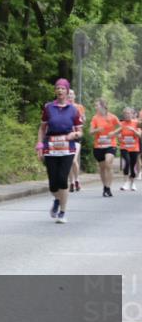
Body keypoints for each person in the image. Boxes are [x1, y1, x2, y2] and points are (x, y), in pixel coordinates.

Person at [36, 80, 83, 223]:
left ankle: (63, 212)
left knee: (63, 180)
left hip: (67, 148)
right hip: (50, 148)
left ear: (67, 91)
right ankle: (57, 200)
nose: (60, 90)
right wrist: (39, 145)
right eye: (58, 88)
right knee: (53, 184)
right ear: (55, 91)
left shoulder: (74, 110)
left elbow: (80, 132)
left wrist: (74, 135)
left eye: (63, 88)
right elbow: (42, 129)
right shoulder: (48, 108)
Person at [90, 99, 120, 197]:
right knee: (102, 168)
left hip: (111, 144)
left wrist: (114, 133)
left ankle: (108, 187)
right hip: (98, 146)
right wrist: (97, 130)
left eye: (97, 105)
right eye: (95, 106)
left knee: (108, 163)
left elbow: (121, 127)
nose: (95, 107)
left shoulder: (112, 117)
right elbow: (90, 132)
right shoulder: (95, 118)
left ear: (103, 106)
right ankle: (105, 187)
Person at [68, 90, 86, 191]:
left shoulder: (79, 107)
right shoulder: (63, 106)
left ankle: (77, 180)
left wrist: (81, 118)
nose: (70, 96)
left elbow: (83, 120)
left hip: (76, 136)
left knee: (73, 160)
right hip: (66, 136)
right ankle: (71, 182)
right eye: (68, 94)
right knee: (69, 160)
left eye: (71, 94)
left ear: (74, 96)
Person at [119, 107, 140, 192]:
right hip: (124, 147)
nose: (127, 115)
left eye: (129, 113)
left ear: (132, 114)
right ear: (123, 115)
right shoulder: (121, 123)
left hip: (134, 148)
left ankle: (133, 183)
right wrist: (119, 137)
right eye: (125, 114)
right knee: (127, 162)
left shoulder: (136, 123)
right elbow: (118, 134)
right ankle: (126, 182)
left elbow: (140, 135)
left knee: (133, 165)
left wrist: (133, 130)